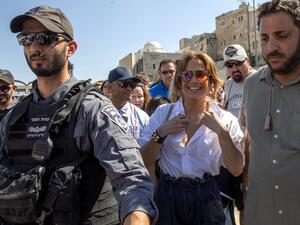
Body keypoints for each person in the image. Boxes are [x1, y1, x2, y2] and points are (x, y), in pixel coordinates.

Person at [0, 5, 157, 225]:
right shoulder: (12, 118)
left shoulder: (93, 110)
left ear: (70, 48)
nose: (34, 46)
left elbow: (132, 179)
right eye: (26, 39)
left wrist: (137, 217)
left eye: (45, 38)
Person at [139, 51, 244, 225]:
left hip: (206, 198)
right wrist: (161, 133)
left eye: (201, 74)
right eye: (187, 74)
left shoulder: (225, 120)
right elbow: (143, 159)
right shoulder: (163, 114)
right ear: (179, 81)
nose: (193, 80)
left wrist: (222, 132)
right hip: (167, 197)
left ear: (211, 81)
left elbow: (236, 169)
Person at [239, 0, 300, 224]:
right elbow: (250, 141)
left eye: (282, 36)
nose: (270, 47)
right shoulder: (251, 85)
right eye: (264, 38)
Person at [216, 44, 256, 225]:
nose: (233, 69)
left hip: (254, 153)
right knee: (238, 204)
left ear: (247, 61)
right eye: (229, 65)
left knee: (251, 203)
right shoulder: (228, 85)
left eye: (238, 64)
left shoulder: (258, 80)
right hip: (233, 152)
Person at [107, 67, 149, 139]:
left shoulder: (142, 117)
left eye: (132, 84)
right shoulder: (98, 113)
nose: (129, 88)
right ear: (109, 87)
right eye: (124, 84)